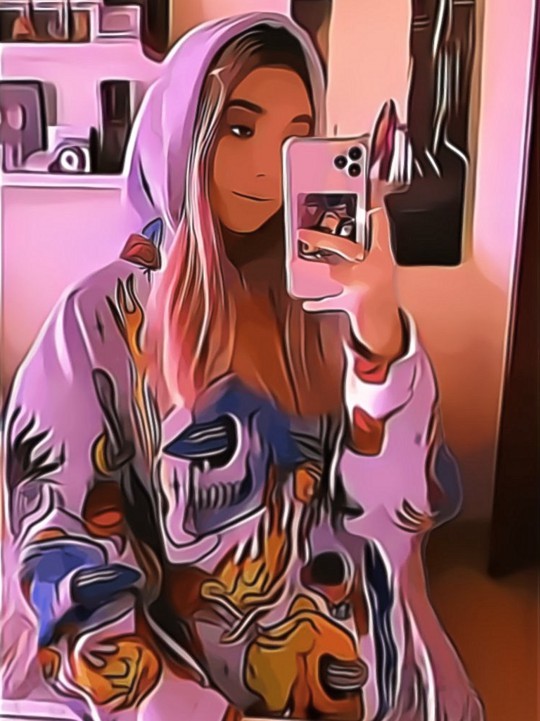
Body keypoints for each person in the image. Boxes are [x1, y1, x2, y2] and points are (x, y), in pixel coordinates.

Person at [1, 12, 484, 721]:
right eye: (239, 128)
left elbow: (399, 511)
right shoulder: (98, 321)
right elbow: (64, 543)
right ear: (184, 136)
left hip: (358, 662)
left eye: (296, 137)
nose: (268, 166)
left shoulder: (322, 298)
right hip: (189, 679)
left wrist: (378, 330)